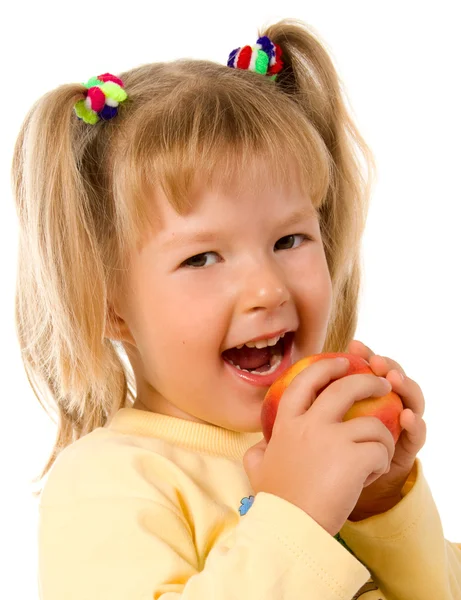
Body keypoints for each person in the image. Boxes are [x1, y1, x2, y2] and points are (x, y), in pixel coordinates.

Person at [11, 17, 461, 600]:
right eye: (201, 259)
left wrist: (382, 503)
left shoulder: (325, 445)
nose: (268, 289)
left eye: (290, 240)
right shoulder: (108, 480)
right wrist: (294, 514)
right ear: (110, 306)